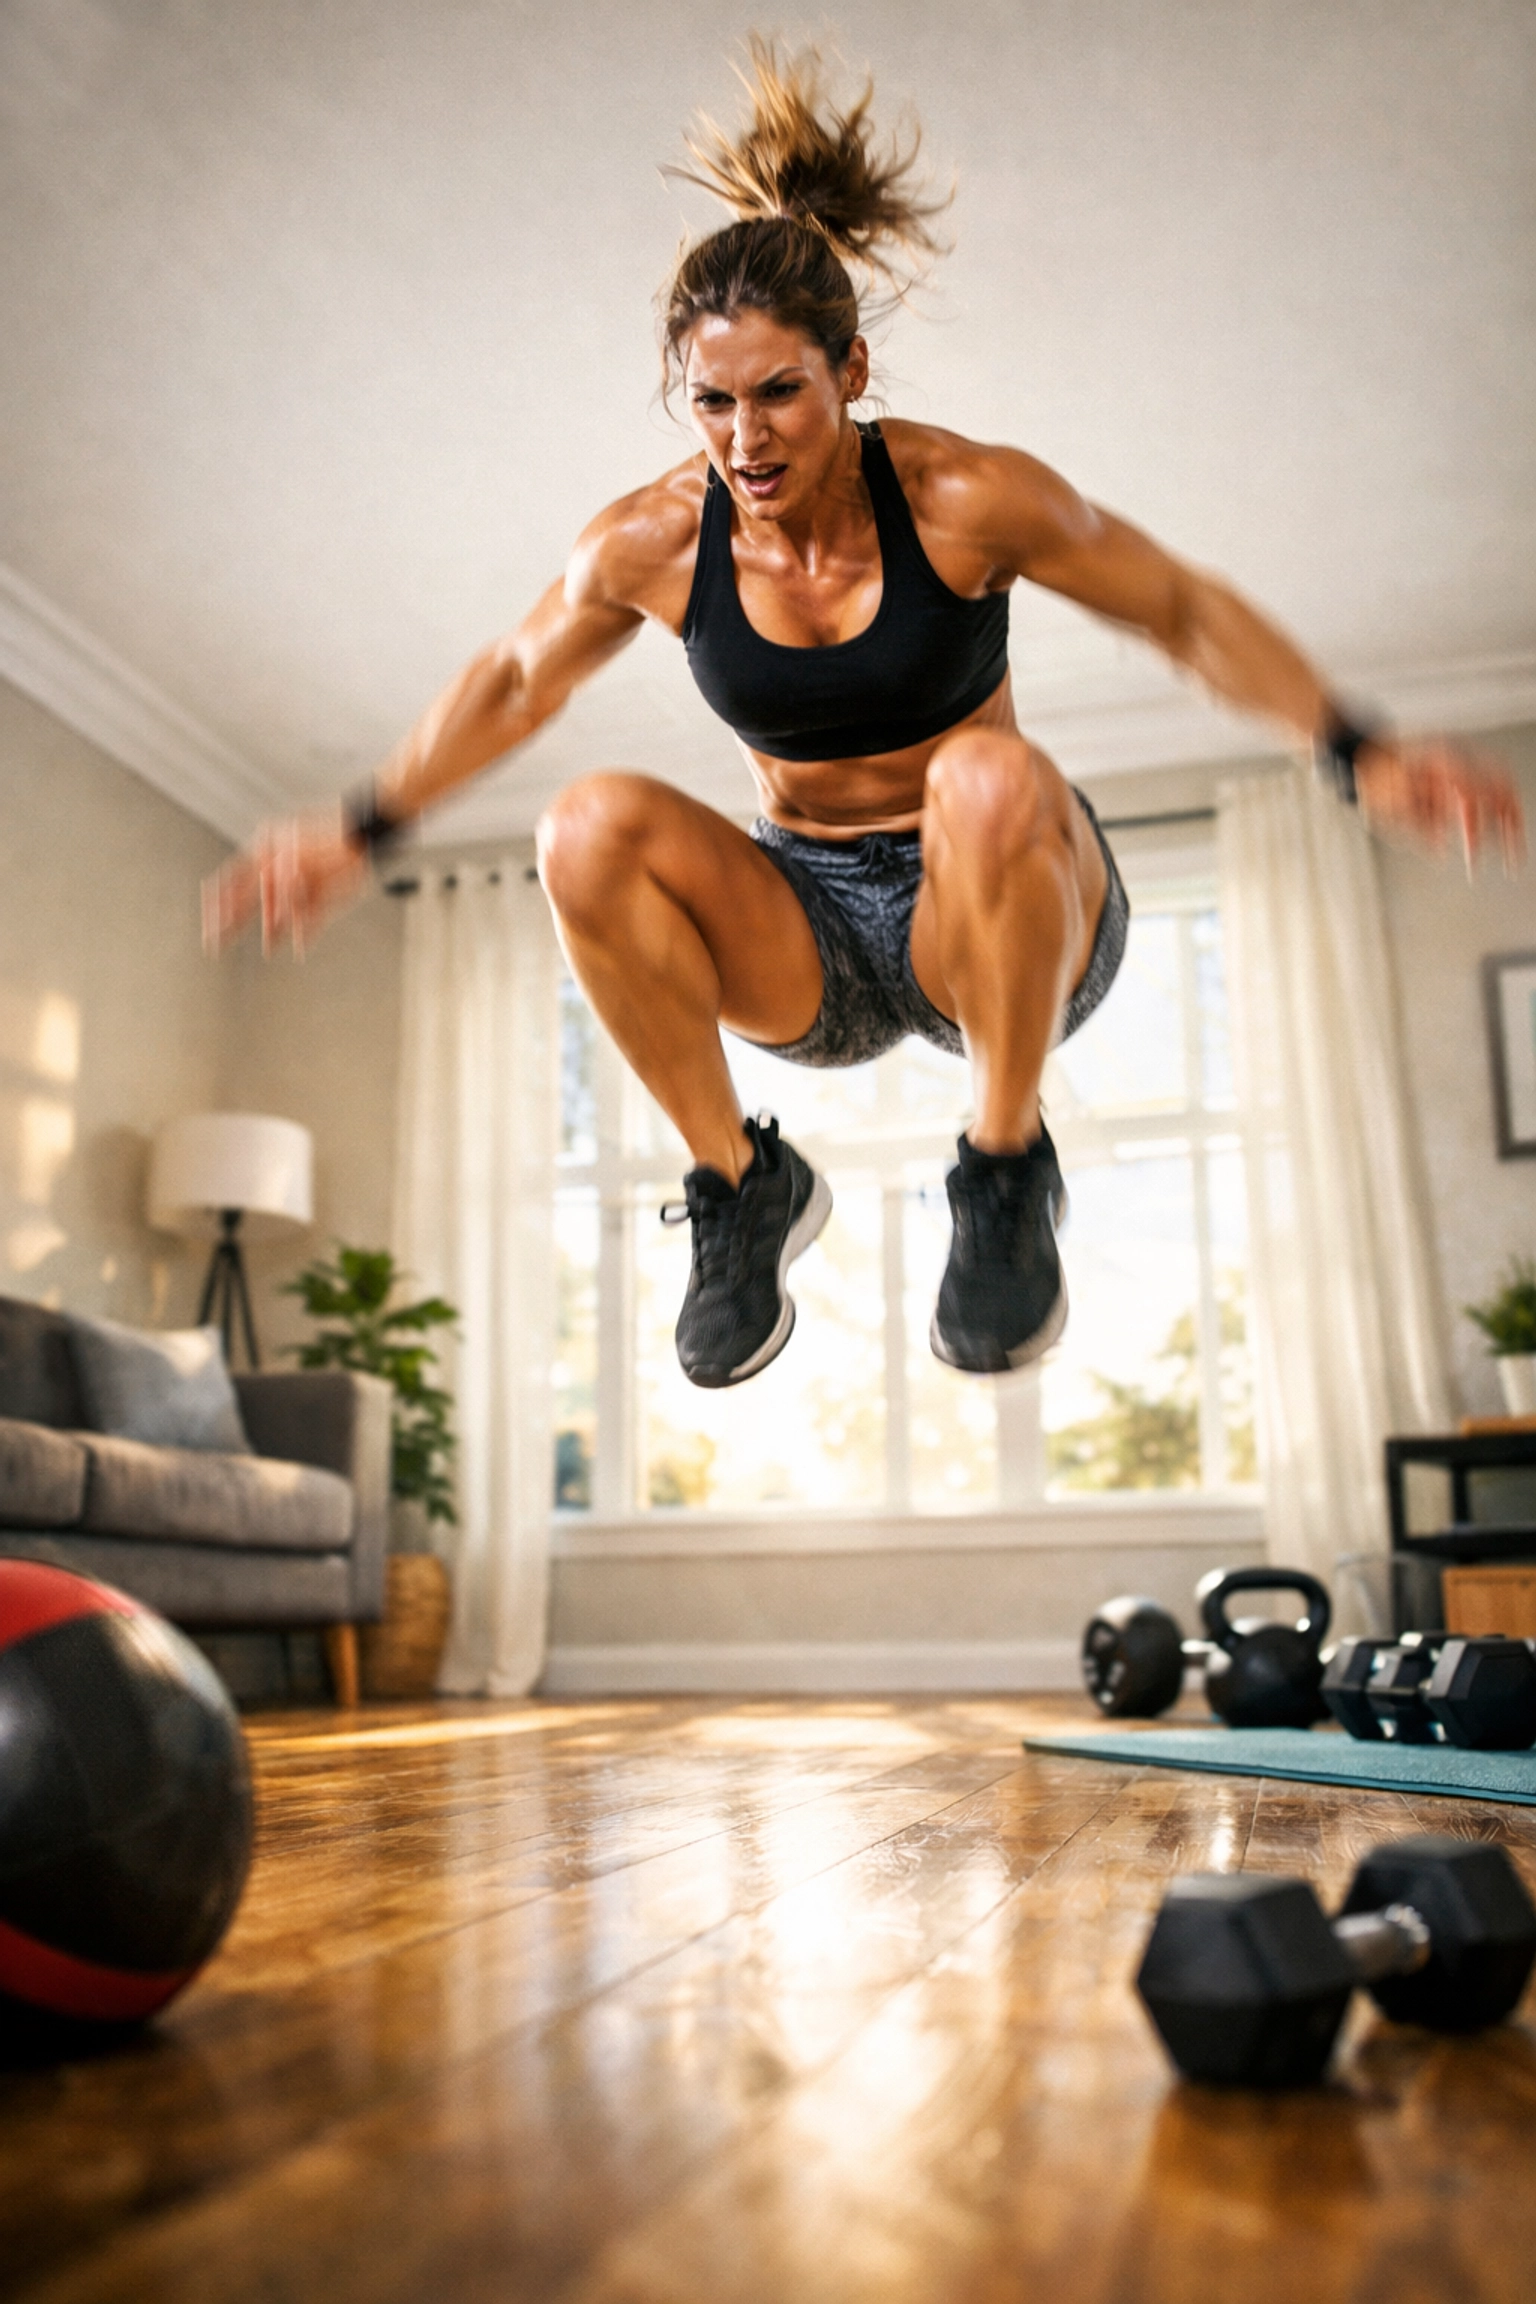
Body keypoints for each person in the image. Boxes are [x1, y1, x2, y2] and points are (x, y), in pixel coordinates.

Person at [208, 41, 1523, 1391]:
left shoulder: (964, 497)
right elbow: (513, 679)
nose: (746, 439)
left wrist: (1360, 748)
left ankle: (1003, 1169)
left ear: (852, 371)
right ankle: (741, 1187)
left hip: (1002, 916)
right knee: (583, 826)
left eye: (779, 392)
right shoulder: (657, 538)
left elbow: (1179, 608)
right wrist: (359, 828)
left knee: (986, 778)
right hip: (812, 937)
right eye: (711, 401)